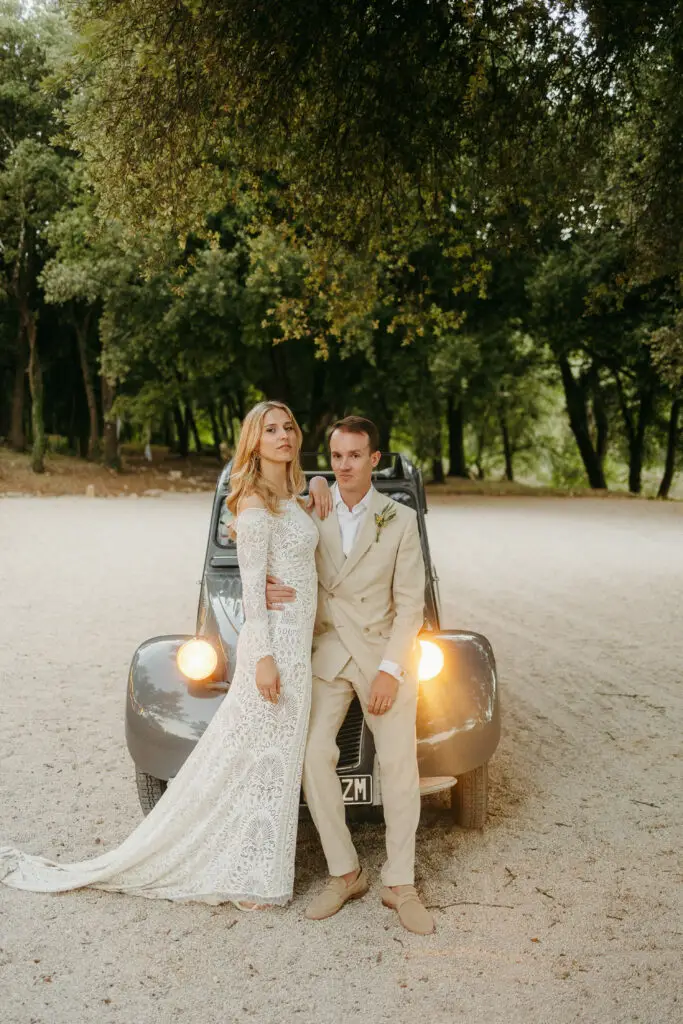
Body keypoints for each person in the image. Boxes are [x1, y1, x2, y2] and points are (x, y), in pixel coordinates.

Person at [0, 400, 331, 911]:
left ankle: (258, 867)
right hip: (277, 649)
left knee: (272, 761)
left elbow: (305, 538)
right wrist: (260, 657)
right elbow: (249, 593)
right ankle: (252, 879)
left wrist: (319, 486)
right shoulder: (252, 503)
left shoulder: (292, 496)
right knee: (258, 761)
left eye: (289, 426)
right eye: (270, 429)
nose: (283, 435)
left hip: (299, 645)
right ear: (254, 441)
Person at [268, 416, 434, 935]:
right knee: (313, 751)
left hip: (381, 649)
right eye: (336, 457)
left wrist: (390, 670)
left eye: (355, 456)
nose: (344, 466)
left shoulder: (400, 519)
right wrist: (266, 586)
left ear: (374, 460)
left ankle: (400, 882)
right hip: (329, 650)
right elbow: (256, 531)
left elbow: (411, 606)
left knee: (399, 761)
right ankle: (345, 872)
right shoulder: (307, 508)